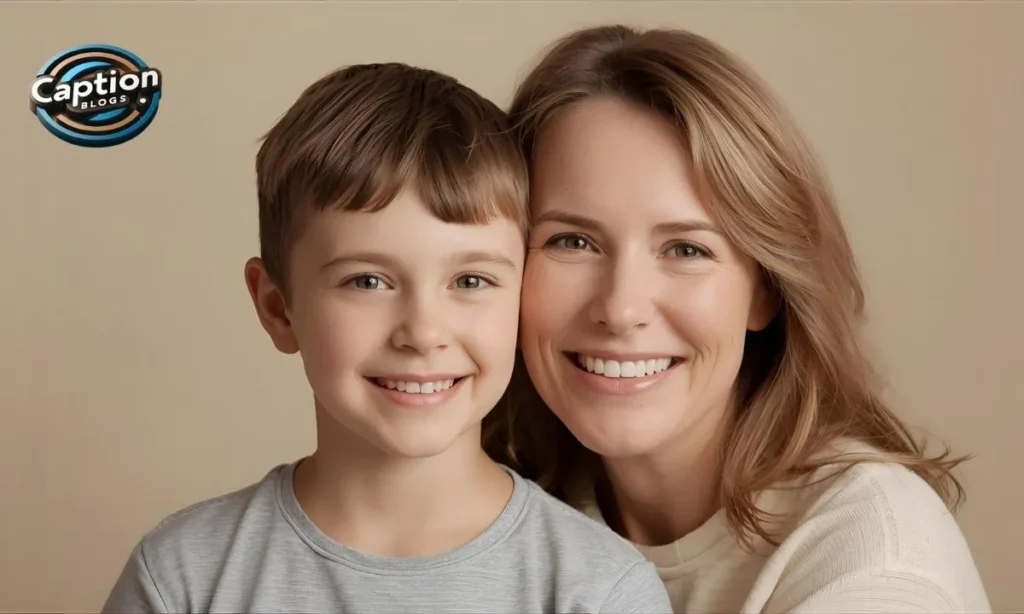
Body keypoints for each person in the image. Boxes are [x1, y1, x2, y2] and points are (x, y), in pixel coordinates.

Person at [101, 62, 672, 613]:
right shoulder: (182, 577)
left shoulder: (599, 590)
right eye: (367, 280)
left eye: (471, 280)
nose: (423, 332)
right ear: (278, 308)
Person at [485, 25, 992, 612]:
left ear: (766, 290)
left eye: (686, 249)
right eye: (572, 241)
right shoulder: (524, 511)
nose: (620, 309)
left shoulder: (873, 561)